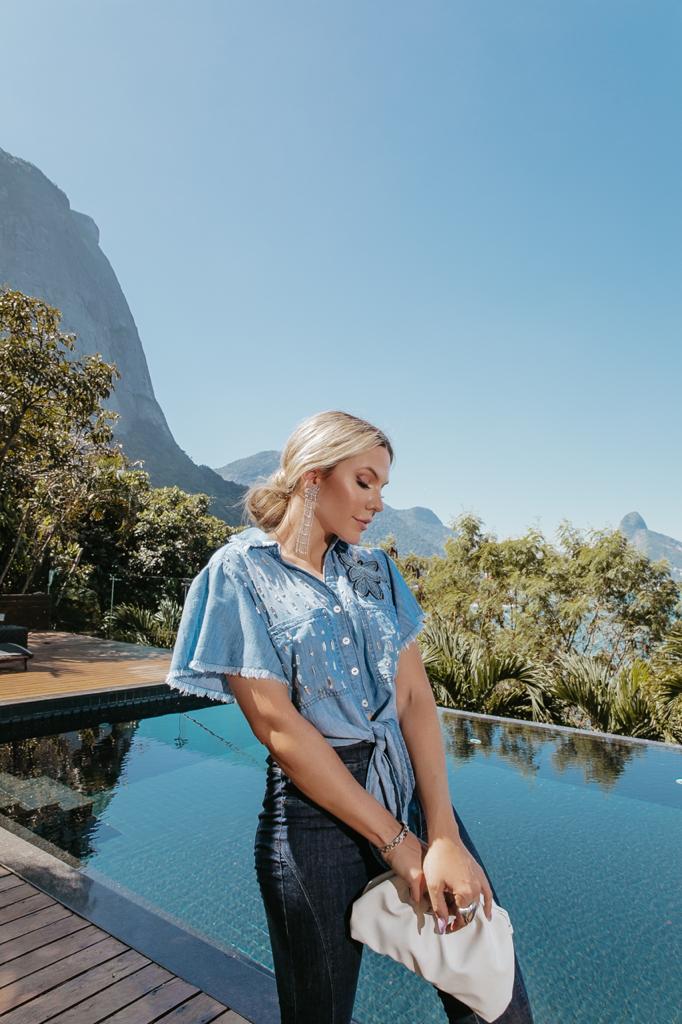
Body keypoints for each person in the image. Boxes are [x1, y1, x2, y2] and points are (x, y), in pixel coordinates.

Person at [166, 410, 534, 1024]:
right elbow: (281, 730)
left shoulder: (377, 571)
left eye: (382, 486)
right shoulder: (239, 573)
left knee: (494, 997)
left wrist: (441, 834)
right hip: (314, 822)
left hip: (409, 792)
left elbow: (413, 699)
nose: (378, 502)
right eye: (365, 481)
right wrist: (396, 843)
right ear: (313, 478)